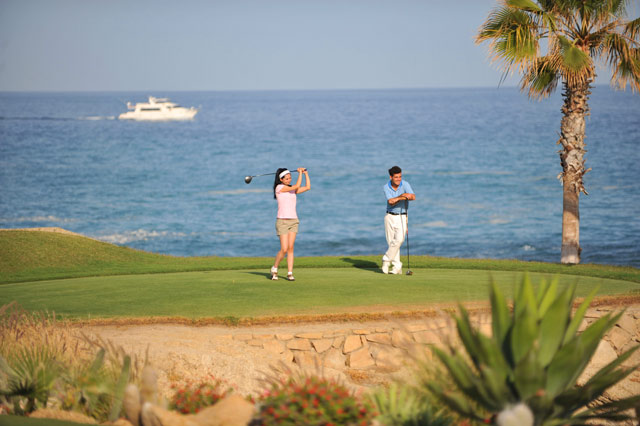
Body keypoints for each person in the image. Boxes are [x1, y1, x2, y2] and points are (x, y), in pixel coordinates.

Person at [271, 167, 311, 281]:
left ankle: (290, 273)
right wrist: (300, 174)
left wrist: (306, 174)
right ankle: (274, 268)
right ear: (281, 179)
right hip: (282, 221)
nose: (289, 180)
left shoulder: (291, 189)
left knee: (290, 248)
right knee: (284, 249)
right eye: (287, 178)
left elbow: (308, 187)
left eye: (290, 178)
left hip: (294, 221)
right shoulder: (279, 188)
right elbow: (297, 185)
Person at [382, 166, 415, 274]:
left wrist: (399, 198)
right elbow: (391, 202)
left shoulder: (405, 184)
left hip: (402, 215)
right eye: (396, 177)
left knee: (399, 240)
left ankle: (386, 260)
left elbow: (413, 197)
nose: (398, 179)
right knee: (392, 243)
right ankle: (397, 267)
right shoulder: (386, 187)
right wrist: (404, 196)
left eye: (400, 177)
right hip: (389, 216)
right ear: (391, 177)